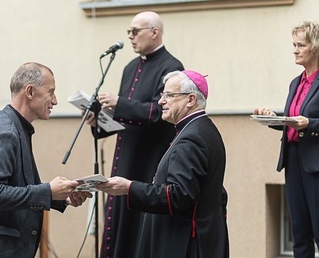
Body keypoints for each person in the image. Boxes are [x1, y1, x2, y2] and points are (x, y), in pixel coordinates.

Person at [0, 62, 92, 257]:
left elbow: (17, 186)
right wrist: (47, 191)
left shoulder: (15, 126)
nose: (55, 101)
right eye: (51, 92)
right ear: (30, 92)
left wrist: (60, 197)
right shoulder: (5, 132)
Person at [97, 70, 229, 257]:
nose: (161, 101)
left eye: (169, 95)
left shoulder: (192, 138)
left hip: (185, 244)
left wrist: (129, 188)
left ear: (190, 100)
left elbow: (178, 196)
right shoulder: (202, 129)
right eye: (162, 95)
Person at [85, 11, 184, 257]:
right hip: (125, 159)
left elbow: (157, 113)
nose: (130, 36)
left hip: (148, 162)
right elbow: (123, 120)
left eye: (135, 31)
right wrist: (98, 121)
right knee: (119, 226)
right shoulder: (130, 68)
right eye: (128, 32)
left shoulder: (172, 67)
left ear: (155, 32)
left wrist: (119, 104)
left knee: (138, 227)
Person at [254, 20, 319, 257]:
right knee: (300, 234)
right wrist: (273, 118)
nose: (295, 49)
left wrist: (310, 124)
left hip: (315, 165)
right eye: (294, 44)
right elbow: (292, 120)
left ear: (315, 47)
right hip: (292, 161)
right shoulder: (296, 82)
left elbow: (305, 121)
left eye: (300, 45)